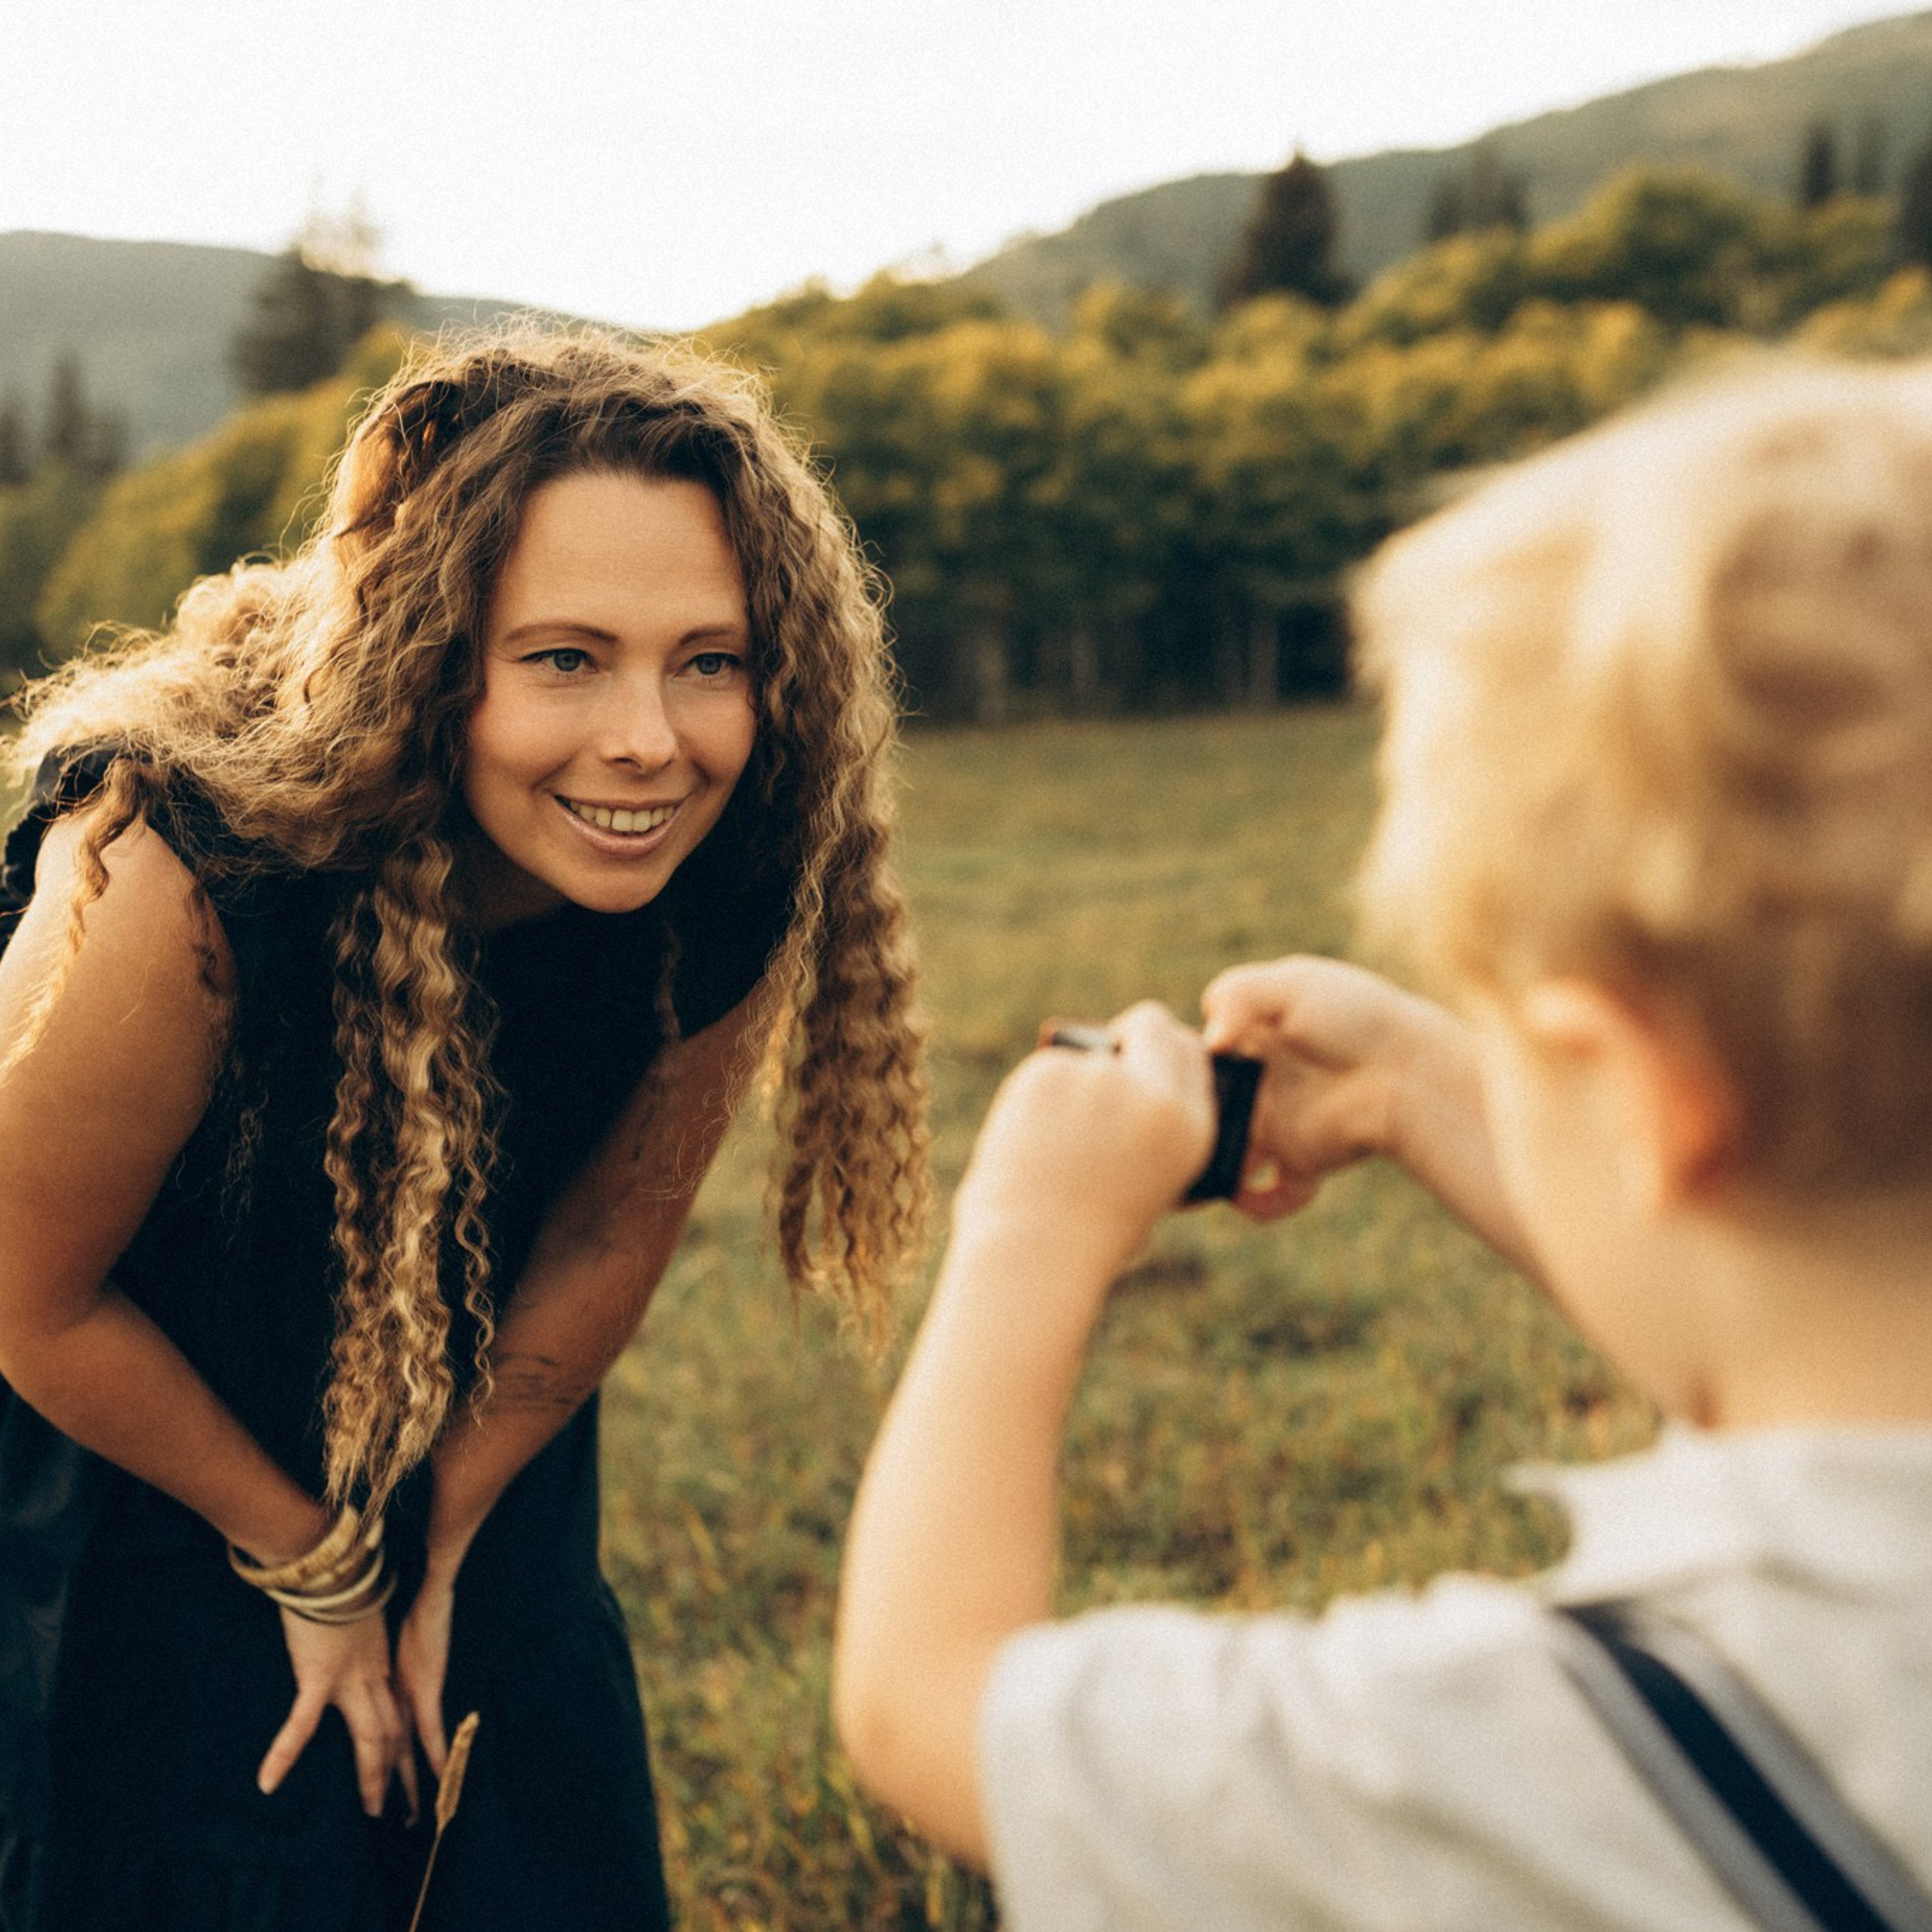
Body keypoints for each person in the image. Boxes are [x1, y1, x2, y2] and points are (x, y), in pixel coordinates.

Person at [832, 356, 1932, 1927]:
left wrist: (1027, 1231)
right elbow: (1776, 1328)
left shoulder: (1567, 1746)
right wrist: (1434, 1090)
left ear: (1638, 1093)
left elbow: (929, 1703)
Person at [0, 323, 928, 1931]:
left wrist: (430, 1547)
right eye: (566, 657)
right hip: (119, 1445)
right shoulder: (187, 870)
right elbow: (29, 1292)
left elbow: (599, 1239)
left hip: (468, 1425)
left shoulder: (731, 858)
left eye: (707, 658)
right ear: (431, 657)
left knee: (505, 1794)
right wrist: (311, 1564)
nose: (650, 737)